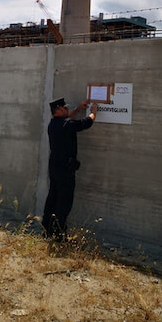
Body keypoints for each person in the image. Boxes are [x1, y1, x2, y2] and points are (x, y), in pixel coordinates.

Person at [42, 97, 96, 239]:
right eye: (65, 108)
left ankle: (46, 229)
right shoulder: (66, 124)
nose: (67, 109)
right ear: (58, 110)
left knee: (52, 198)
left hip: (54, 167)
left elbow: (68, 121)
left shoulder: (53, 124)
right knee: (64, 202)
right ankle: (59, 234)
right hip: (65, 169)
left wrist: (78, 109)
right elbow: (85, 123)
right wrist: (93, 112)